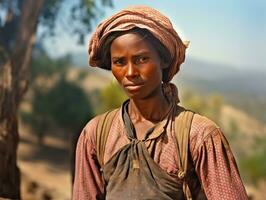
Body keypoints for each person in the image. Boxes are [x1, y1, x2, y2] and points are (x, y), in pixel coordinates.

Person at [73, 5, 248, 200]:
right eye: (120, 62)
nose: (130, 73)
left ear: (163, 60)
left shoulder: (199, 135)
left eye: (142, 59)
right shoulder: (96, 134)